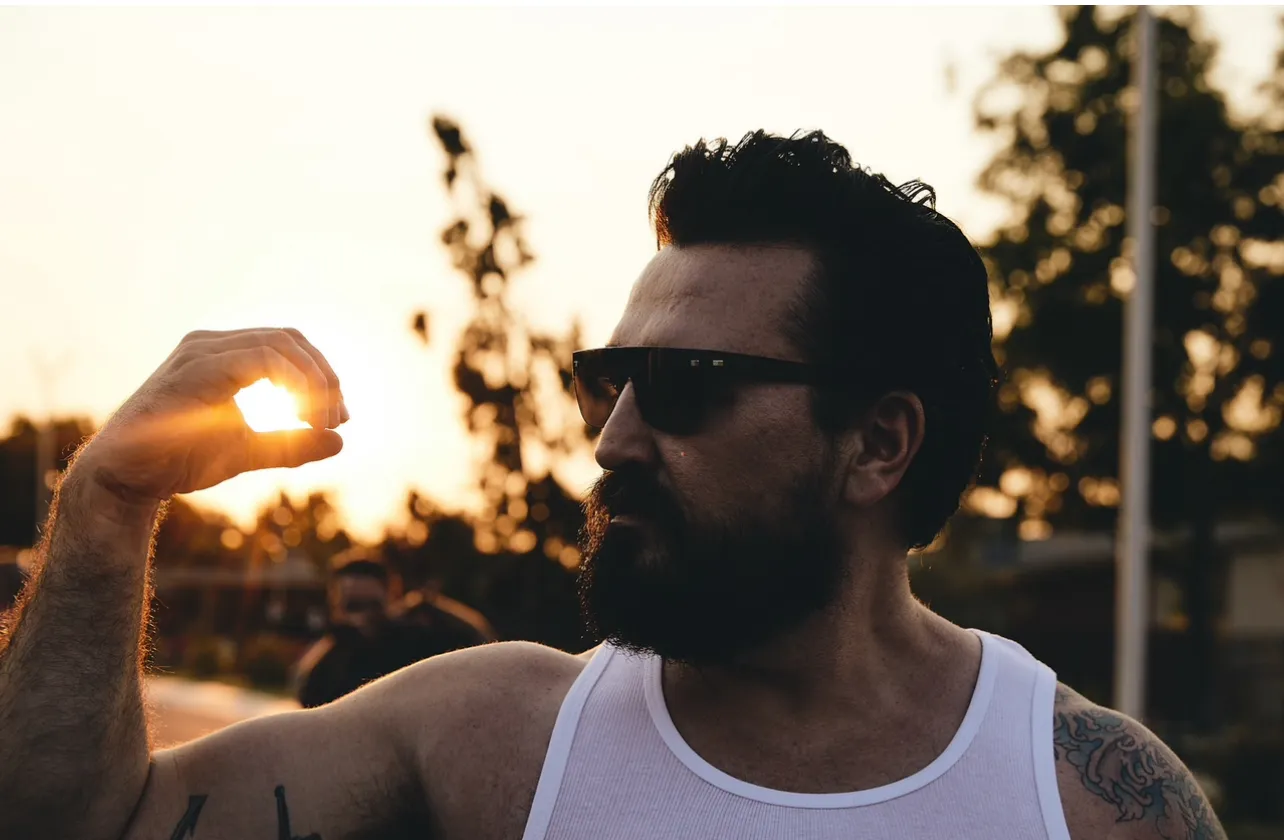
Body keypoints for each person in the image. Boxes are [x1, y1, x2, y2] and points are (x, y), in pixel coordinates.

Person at [0, 130, 1224, 840]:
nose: (613, 441)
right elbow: (80, 824)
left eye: (686, 384)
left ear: (879, 445)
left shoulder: (1090, 798)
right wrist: (107, 507)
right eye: (606, 381)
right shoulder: (487, 737)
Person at [294, 549, 453, 709]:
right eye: (353, 606)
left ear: (391, 599)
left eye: (373, 606)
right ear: (335, 605)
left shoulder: (418, 647)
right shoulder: (324, 668)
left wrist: (432, 606)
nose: (362, 618)